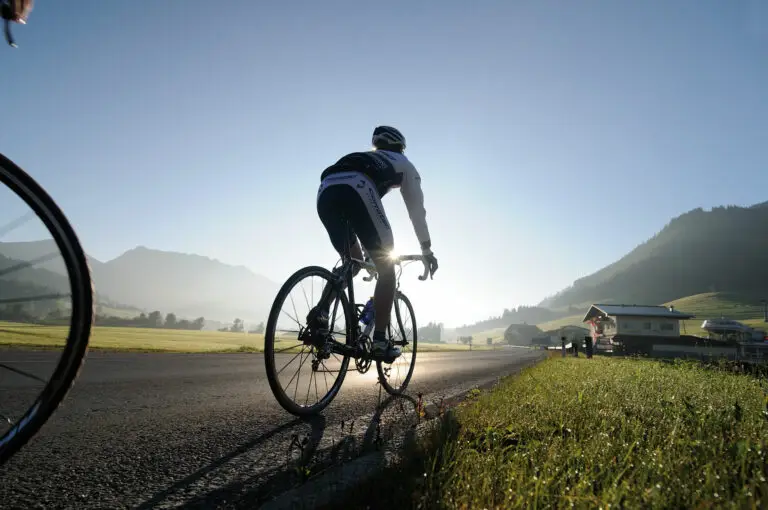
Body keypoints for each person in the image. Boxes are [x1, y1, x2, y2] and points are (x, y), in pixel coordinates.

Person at [310, 126, 438, 363]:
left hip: (326, 190)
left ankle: (321, 312)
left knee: (354, 262)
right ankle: (380, 341)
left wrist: (370, 257)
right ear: (401, 146)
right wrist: (426, 250)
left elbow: (362, 219)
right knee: (387, 270)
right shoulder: (405, 164)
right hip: (357, 188)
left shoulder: (367, 157)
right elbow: (416, 211)